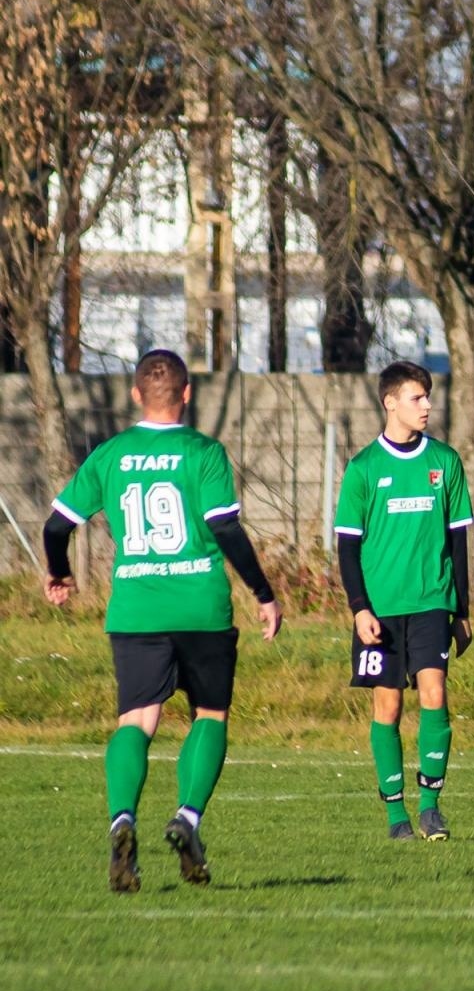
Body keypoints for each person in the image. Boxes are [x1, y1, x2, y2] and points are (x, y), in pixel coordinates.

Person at [42, 349, 282, 891]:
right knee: (210, 715)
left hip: (137, 607)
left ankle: (123, 818)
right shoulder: (204, 452)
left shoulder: (112, 453)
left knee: (137, 721)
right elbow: (226, 531)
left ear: (134, 395)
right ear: (187, 394)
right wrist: (264, 593)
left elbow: (56, 527)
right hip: (200, 606)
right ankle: (187, 819)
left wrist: (60, 574)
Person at [334, 361, 474, 842]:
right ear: (390, 402)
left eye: (428, 397)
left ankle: (431, 806)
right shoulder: (364, 468)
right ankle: (396, 817)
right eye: (417, 398)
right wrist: (360, 608)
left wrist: (464, 609)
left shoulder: (445, 462)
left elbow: (458, 542)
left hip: (432, 601)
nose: (427, 406)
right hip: (381, 610)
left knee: (435, 695)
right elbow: (348, 547)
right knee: (388, 708)